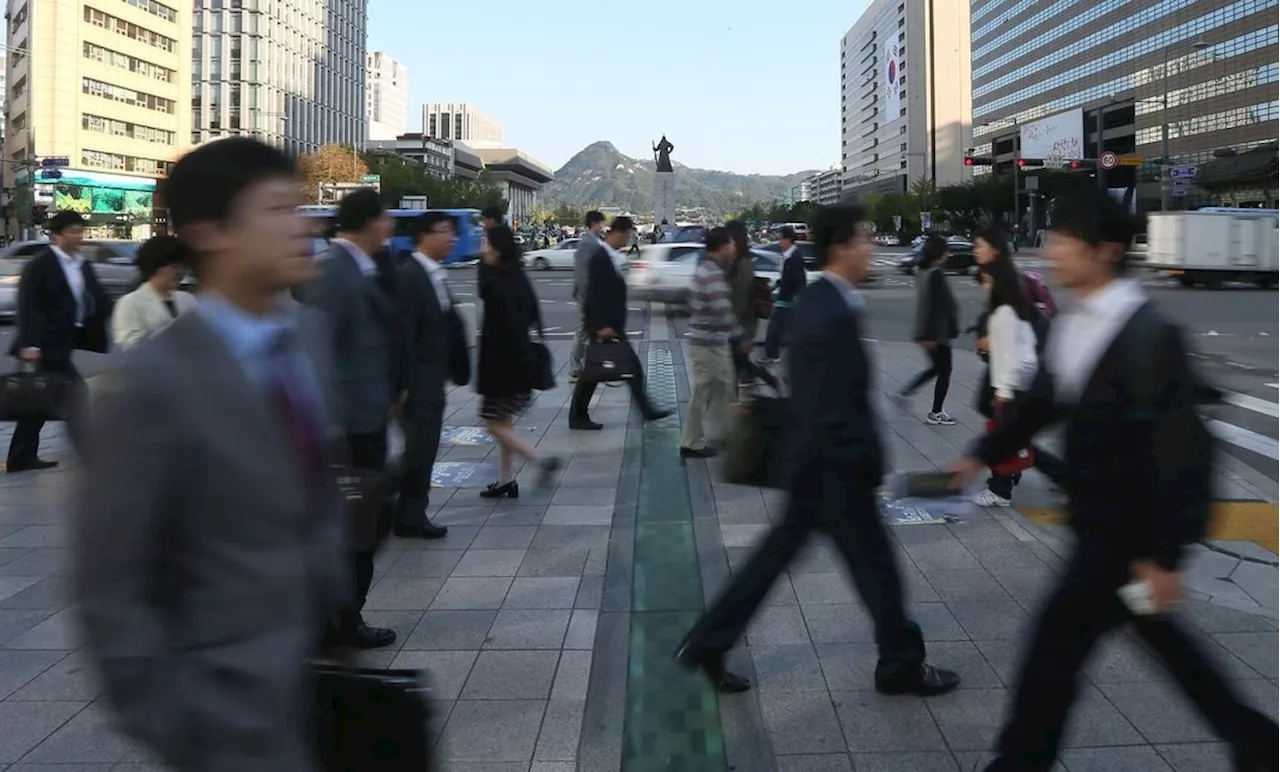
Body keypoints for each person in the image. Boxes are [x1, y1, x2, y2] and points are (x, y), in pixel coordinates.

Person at [951, 190, 1280, 772]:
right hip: (1102, 528)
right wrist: (984, 452)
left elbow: (1183, 451)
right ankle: (1257, 745)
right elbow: (1043, 401)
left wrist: (1164, 554)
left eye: (1063, 240)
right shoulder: (1079, 317)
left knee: (1053, 659)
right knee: (1166, 649)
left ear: (1104, 251)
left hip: (1125, 538)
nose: (1051, 251)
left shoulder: (1148, 333)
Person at [74, 137, 348, 771]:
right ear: (209, 231)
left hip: (311, 695)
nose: (301, 227)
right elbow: (111, 586)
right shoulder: (149, 385)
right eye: (278, 210)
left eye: (300, 207)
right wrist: (187, 730)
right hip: (222, 725)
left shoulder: (307, 341)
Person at [676, 204, 959, 698]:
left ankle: (708, 642)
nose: (870, 248)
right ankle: (900, 663)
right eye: (865, 239)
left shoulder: (822, 301)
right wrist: (863, 462)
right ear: (841, 248)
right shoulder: (829, 309)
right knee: (876, 570)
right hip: (835, 466)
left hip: (815, 464)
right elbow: (830, 402)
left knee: (780, 564)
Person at [302, 188, 399, 650]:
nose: (391, 227)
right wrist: (332, 422)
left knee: (367, 521)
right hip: (348, 427)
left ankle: (337, 617)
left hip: (365, 417)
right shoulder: (335, 271)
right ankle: (340, 621)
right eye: (385, 218)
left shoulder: (359, 267)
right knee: (360, 526)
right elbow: (320, 347)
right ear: (368, 222)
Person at [7, 210, 111, 472]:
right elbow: (27, 305)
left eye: (80, 231)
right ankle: (91, 454)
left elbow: (97, 298)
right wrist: (30, 344)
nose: (79, 237)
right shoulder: (41, 265)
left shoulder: (81, 264)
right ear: (56, 235)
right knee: (75, 392)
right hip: (45, 342)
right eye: (73, 231)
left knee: (42, 397)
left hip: (68, 338)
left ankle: (21, 456)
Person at [971, 227, 1067, 489]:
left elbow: (1016, 321)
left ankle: (1003, 482)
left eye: (980, 245)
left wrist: (992, 338)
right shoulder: (996, 274)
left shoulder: (1009, 278)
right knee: (999, 418)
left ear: (995, 248)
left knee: (1003, 420)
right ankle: (1022, 473)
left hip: (1016, 364)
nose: (975, 250)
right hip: (1008, 362)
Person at [395, 211, 467, 539]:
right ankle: (408, 514)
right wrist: (403, 386)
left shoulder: (435, 274)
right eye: (445, 232)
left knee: (422, 448)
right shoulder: (410, 276)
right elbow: (403, 335)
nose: (451, 238)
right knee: (419, 449)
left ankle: (408, 509)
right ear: (424, 235)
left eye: (453, 232)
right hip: (418, 384)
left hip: (432, 379)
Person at [475, 224, 561, 497]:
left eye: (485, 243)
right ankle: (506, 479)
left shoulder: (496, 282)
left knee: (494, 424)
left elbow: (503, 326)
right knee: (505, 422)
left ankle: (539, 460)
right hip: (517, 362)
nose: (481, 248)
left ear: (497, 249)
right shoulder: (516, 275)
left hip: (502, 366)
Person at [569, 216, 670, 430]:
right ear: (619, 232)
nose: (629, 239)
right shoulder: (600, 256)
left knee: (596, 373)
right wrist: (600, 326)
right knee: (620, 370)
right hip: (604, 326)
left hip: (609, 325)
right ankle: (645, 411)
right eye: (628, 234)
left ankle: (579, 416)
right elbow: (594, 294)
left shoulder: (610, 255)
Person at [972, 259, 1039, 508]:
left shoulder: (1004, 313)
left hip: (1009, 389)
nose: (984, 287)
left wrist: (1004, 391)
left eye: (989, 282)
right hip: (1017, 387)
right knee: (1007, 438)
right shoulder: (1015, 309)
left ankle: (1000, 490)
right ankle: (1006, 480)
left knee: (1002, 438)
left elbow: (1014, 356)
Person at [680, 227, 745, 459]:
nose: (734, 246)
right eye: (731, 242)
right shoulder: (711, 273)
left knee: (722, 390)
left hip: (709, 341)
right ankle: (692, 442)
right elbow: (722, 311)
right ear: (722, 245)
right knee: (706, 391)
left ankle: (727, 436)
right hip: (708, 344)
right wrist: (739, 336)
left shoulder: (710, 269)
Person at [897, 234, 958, 425]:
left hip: (927, 331)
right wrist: (934, 333)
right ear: (940, 253)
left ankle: (906, 392)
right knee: (944, 370)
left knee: (936, 368)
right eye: (946, 250)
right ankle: (936, 412)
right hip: (937, 333)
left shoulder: (922, 270)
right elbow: (938, 306)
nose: (949, 254)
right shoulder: (935, 274)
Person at [110, 235, 198, 351]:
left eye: (183, 266)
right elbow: (131, 345)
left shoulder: (188, 300)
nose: (180, 272)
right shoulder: (130, 303)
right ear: (154, 267)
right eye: (174, 266)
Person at [568, 210, 606, 383]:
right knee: (584, 332)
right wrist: (585, 303)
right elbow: (583, 275)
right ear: (595, 223)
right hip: (588, 296)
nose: (603, 227)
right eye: (601, 223)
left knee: (591, 332)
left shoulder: (593, 242)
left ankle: (590, 366)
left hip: (593, 295)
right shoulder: (588, 243)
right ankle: (575, 369)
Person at [763, 225, 805, 363]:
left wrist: (791, 296)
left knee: (774, 328)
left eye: (781, 239)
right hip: (787, 297)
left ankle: (773, 355)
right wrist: (774, 287)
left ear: (788, 239)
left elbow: (797, 279)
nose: (779, 242)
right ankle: (773, 354)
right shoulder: (789, 256)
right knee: (782, 328)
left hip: (788, 299)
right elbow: (786, 278)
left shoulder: (794, 257)